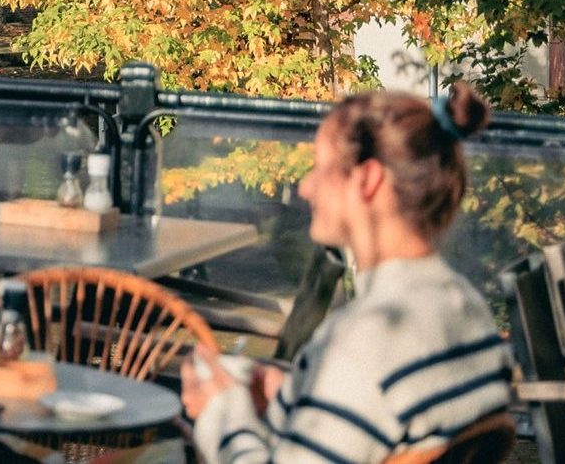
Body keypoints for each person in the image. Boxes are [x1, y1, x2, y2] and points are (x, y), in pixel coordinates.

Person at [182, 83, 511, 464]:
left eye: (321, 168)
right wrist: (297, 390)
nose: (305, 187)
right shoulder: (468, 308)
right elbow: (392, 409)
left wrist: (221, 410)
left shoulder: (363, 338)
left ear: (368, 180)